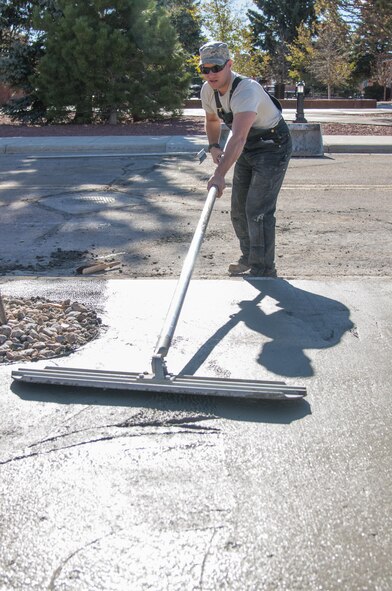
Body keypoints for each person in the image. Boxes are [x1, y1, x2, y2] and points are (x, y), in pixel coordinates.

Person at [199, 41, 292, 277]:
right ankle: (249, 257)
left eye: (216, 68)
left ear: (229, 65)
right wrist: (213, 147)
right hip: (248, 146)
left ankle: (263, 269)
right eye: (205, 69)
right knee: (238, 209)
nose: (211, 74)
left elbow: (238, 137)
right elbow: (212, 122)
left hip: (272, 146)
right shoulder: (208, 91)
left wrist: (219, 175)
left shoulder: (246, 89)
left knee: (257, 209)